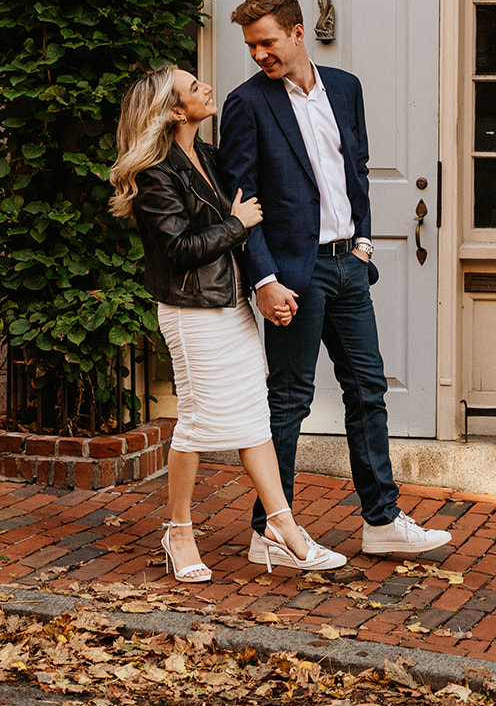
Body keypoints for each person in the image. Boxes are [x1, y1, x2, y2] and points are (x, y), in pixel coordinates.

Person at [219, 0, 451, 560]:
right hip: (293, 275)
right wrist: (264, 279)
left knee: (368, 393)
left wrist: (365, 242)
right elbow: (240, 202)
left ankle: (382, 521)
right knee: (290, 399)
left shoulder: (345, 89)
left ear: (298, 33)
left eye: (267, 42)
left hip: (349, 265)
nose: (258, 55)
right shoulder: (246, 104)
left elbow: (358, 168)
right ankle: (271, 530)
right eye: (251, 45)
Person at [109, 64, 346, 580]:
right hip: (192, 311)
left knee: (253, 416)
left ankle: (282, 527)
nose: (206, 87)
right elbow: (178, 250)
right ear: (174, 111)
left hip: (230, 305)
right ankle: (179, 530)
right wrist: (238, 224)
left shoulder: (208, 158)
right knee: (196, 421)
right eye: (194, 87)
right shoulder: (156, 171)